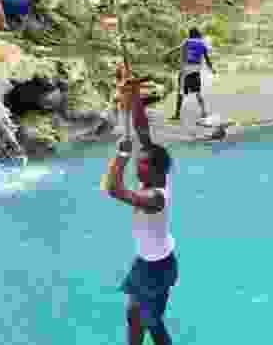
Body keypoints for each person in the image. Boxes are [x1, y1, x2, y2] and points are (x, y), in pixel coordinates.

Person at [102, 64, 177, 345]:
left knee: (150, 321)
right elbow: (143, 131)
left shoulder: (154, 198)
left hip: (157, 267)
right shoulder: (162, 171)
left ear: (155, 170)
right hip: (150, 261)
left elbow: (113, 189)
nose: (138, 166)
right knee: (135, 315)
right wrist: (134, 99)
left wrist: (120, 157)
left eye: (140, 165)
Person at [165, 28, 215, 121]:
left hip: (185, 70)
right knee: (197, 92)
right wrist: (211, 69)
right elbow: (207, 58)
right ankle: (204, 112)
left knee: (180, 93)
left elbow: (178, 49)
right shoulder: (202, 43)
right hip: (196, 70)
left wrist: (168, 53)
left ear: (190, 34)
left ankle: (177, 114)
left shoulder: (187, 41)